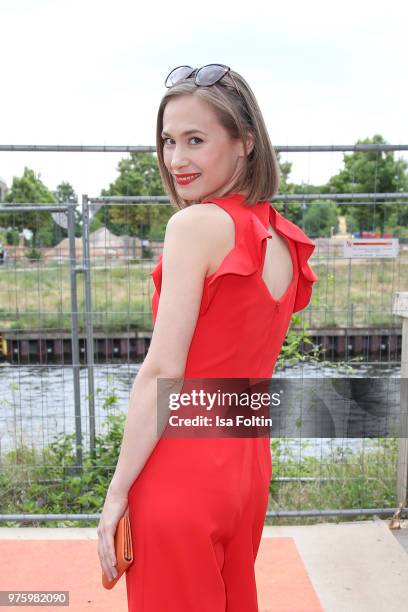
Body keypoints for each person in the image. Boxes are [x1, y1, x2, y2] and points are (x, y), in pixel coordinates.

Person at [97, 64, 318, 611]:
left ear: (245, 142)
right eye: (169, 141)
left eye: (196, 140)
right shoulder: (283, 238)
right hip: (246, 468)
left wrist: (117, 489)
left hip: (183, 467)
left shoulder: (194, 227)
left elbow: (161, 369)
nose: (176, 160)